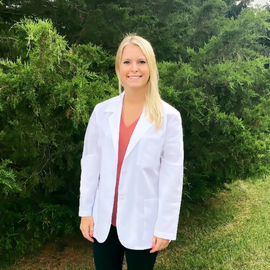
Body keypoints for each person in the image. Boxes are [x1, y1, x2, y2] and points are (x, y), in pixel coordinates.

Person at [79, 34, 184, 270]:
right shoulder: (101, 112)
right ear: (118, 67)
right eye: (127, 62)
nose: (134, 68)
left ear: (151, 67)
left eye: (141, 61)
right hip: (104, 222)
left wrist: (165, 227)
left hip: (144, 223)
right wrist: (86, 211)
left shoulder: (169, 118)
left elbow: (172, 178)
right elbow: (90, 163)